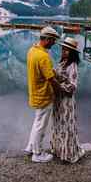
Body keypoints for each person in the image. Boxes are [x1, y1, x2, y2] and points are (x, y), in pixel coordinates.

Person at [25, 26, 60, 163]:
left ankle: (30, 147)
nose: (54, 43)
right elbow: (51, 79)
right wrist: (62, 90)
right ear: (47, 39)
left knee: (37, 122)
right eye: (53, 40)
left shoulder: (32, 51)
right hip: (44, 95)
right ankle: (37, 154)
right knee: (41, 125)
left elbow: (45, 71)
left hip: (34, 92)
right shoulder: (43, 56)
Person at [51, 37, 85, 163]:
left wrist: (58, 85)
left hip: (66, 101)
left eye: (67, 50)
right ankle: (59, 150)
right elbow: (60, 77)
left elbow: (73, 86)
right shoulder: (63, 62)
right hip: (58, 99)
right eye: (63, 49)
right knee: (58, 124)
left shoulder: (73, 65)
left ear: (73, 53)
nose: (64, 51)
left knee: (66, 126)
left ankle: (68, 153)